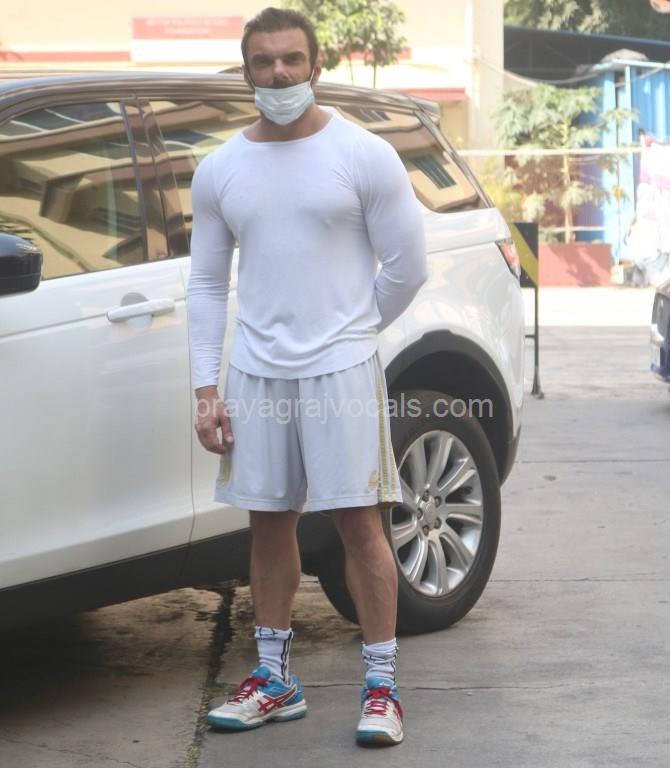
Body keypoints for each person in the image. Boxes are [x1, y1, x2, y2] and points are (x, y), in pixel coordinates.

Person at [187, 6, 427, 747]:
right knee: (268, 523)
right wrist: (205, 388)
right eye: (264, 61)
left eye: (292, 59)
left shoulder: (363, 154)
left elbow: (408, 266)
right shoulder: (221, 168)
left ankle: (382, 687)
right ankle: (274, 679)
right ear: (246, 72)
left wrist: (350, 332)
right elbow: (207, 284)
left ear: (316, 65)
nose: (280, 73)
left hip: (341, 371)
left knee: (359, 523)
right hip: (255, 373)